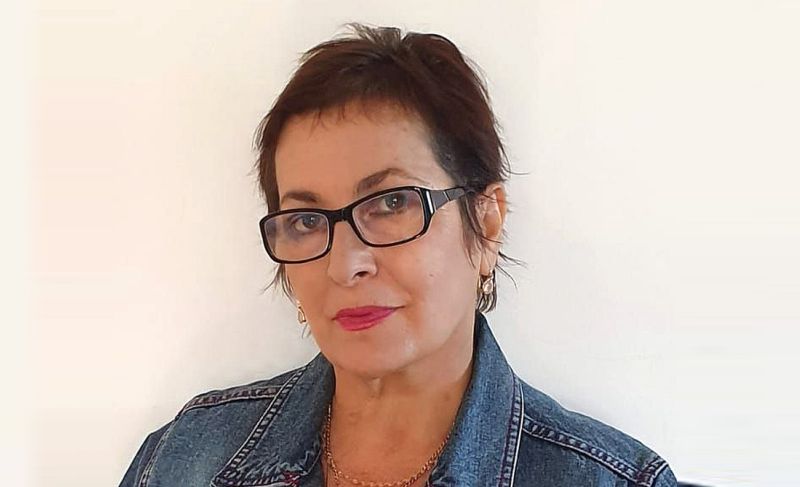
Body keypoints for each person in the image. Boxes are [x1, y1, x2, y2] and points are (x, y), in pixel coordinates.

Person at [120, 23, 678, 486]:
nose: (346, 265)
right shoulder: (185, 457)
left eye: (391, 203)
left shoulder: (612, 478)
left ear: (486, 222)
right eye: (307, 220)